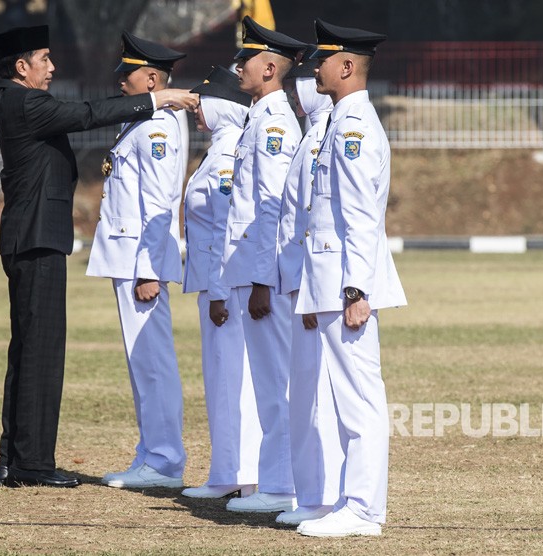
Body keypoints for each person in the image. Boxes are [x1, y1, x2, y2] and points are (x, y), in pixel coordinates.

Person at [0, 25, 198, 488]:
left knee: (28, 351)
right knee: (39, 353)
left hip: (33, 236)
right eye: (44, 58)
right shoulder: (24, 101)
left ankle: (14, 458)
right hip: (36, 238)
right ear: (22, 67)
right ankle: (33, 464)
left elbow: (161, 197)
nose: (53, 66)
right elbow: (84, 114)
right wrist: (158, 100)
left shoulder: (13, 99)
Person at [294, 19, 407, 537]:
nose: (315, 66)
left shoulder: (355, 125)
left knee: (359, 397)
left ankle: (363, 509)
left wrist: (356, 289)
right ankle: (349, 501)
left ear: (346, 66)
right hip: (333, 279)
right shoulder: (341, 120)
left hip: (345, 282)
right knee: (342, 396)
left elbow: (360, 215)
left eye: (323, 58)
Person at [208, 16, 305, 513]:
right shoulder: (260, 117)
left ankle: (281, 486)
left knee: (276, 387)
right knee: (268, 387)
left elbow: (270, 207)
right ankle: (275, 483)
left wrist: (264, 278)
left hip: (262, 273)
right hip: (250, 269)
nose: (237, 67)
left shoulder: (271, 123)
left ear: (269, 67)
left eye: (245, 59)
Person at [85, 31, 188, 489]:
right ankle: (152, 453)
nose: (120, 83)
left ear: (150, 78)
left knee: (152, 361)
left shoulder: (158, 126)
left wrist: (149, 267)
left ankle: (164, 460)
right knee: (141, 361)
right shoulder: (141, 121)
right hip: (129, 257)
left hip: (139, 262)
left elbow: (161, 199)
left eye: (126, 75)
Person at [180, 66, 263, 499]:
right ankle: (226, 470)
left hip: (225, 290)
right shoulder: (219, 150)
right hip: (218, 287)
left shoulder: (228, 155)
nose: (196, 109)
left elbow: (227, 231)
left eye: (203, 101)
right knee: (221, 382)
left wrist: (216, 292)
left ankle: (242, 474)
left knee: (234, 382)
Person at [274, 47, 344, 527]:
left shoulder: (329, 132)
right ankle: (314, 493)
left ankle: (328, 494)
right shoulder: (313, 134)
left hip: (320, 279)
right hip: (304, 280)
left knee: (320, 394)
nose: (301, 90)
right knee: (303, 393)